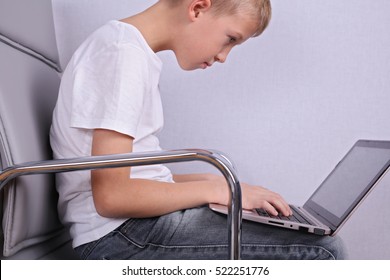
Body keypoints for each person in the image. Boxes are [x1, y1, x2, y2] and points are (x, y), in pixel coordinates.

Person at [50, 0, 346, 259]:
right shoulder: (121, 55)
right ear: (198, 7)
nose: (223, 56)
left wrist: (206, 181)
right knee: (323, 250)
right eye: (230, 39)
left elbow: (130, 177)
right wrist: (217, 189)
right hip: (119, 240)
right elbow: (113, 196)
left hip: (131, 229)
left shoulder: (129, 50)